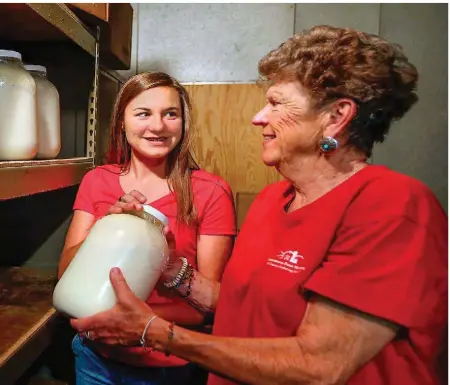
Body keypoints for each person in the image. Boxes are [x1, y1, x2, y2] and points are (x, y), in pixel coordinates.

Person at [71, 25, 448, 385]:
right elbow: (233, 307)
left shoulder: (391, 206)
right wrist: (170, 267)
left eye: (276, 104)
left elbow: (318, 367)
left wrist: (154, 332)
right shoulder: (273, 201)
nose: (258, 118)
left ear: (336, 116)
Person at [58, 71, 237, 385]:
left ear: (183, 123)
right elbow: (65, 275)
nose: (158, 126)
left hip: (166, 363)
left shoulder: (210, 191)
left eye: (171, 114)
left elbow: (210, 306)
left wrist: (139, 320)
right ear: (122, 122)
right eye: (143, 113)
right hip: (95, 357)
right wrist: (105, 225)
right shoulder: (97, 180)